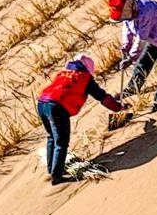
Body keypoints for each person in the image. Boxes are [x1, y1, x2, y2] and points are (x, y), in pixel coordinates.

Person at [37, 53, 123, 185]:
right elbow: (102, 97)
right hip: (57, 107)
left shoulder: (63, 73)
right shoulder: (85, 78)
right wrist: (118, 108)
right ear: (88, 69)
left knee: (52, 137)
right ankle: (57, 176)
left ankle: (51, 169)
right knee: (61, 142)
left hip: (42, 103)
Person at [110, 0, 157, 112]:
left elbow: (141, 39)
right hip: (152, 38)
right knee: (143, 64)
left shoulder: (145, 11)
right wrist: (126, 45)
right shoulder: (129, 7)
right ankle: (133, 88)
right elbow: (127, 26)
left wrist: (130, 58)